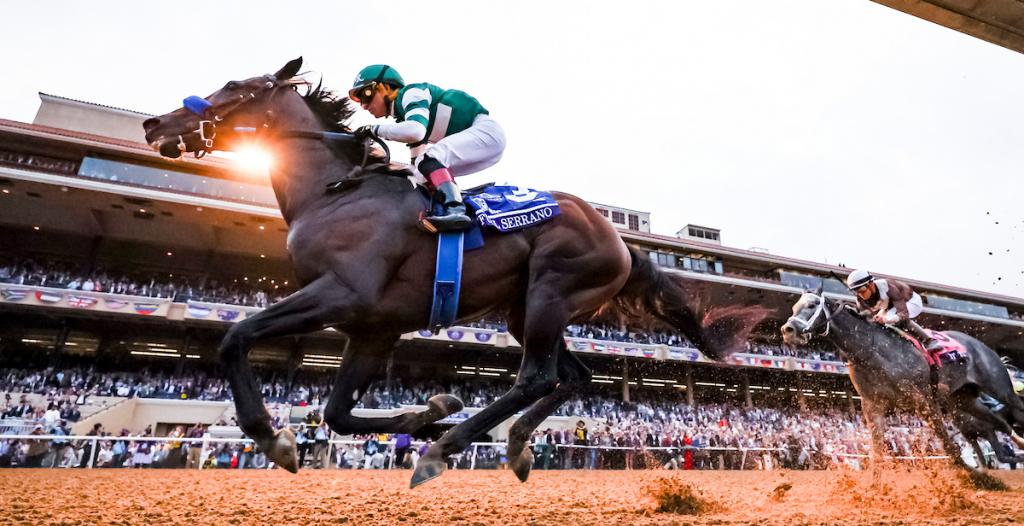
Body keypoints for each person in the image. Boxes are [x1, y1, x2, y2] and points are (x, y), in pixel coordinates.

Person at [349, 64, 506, 232]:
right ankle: (443, 208)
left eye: (366, 94)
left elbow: (415, 131)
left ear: (386, 87)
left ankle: (456, 209)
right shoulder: (407, 118)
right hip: (485, 140)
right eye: (360, 100)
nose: (364, 105)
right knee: (421, 171)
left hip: (486, 131)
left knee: (429, 158)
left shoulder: (410, 93)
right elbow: (416, 169)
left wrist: (373, 129)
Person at [845, 269, 941, 352]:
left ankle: (929, 341)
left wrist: (886, 319)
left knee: (896, 320)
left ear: (870, 284)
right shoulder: (860, 298)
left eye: (861, 289)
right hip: (890, 307)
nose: (860, 294)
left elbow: (903, 314)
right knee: (878, 321)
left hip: (910, 302)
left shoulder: (889, 287)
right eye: (855, 291)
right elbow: (865, 318)